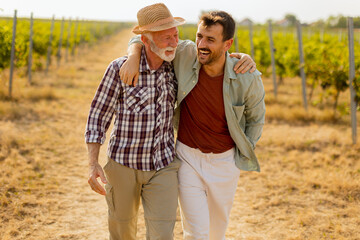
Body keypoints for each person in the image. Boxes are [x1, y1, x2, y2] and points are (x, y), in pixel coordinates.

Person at [121, 9, 265, 240]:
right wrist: (133, 56)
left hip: (225, 163)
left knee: (216, 232)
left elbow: (257, 118)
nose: (201, 44)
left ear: (227, 44)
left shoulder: (246, 76)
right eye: (199, 36)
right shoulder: (186, 53)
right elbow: (142, 37)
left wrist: (242, 149)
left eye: (210, 39)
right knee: (196, 232)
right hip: (187, 158)